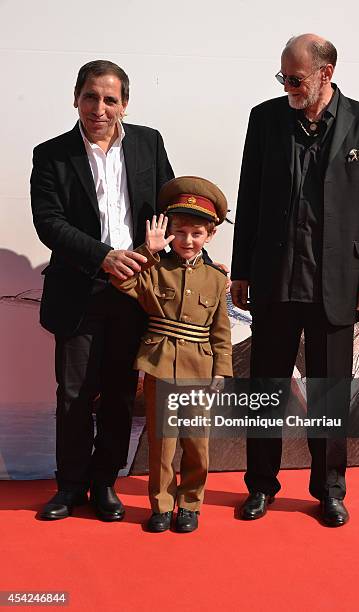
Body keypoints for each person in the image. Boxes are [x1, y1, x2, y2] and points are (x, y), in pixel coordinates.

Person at [231, 33, 359, 526]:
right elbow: (250, 193)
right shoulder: (265, 119)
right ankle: (260, 487)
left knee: (328, 393)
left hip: (336, 282)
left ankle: (329, 490)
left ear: (327, 73)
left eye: (295, 78)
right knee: (266, 392)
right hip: (275, 279)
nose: (287, 86)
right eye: (282, 77)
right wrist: (241, 269)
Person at [31, 60, 174, 521]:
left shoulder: (149, 143)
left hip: (134, 291)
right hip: (79, 289)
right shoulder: (51, 154)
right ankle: (69, 486)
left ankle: (105, 483)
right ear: (76, 98)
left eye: (110, 99)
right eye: (91, 96)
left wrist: (152, 252)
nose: (99, 108)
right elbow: (49, 223)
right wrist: (103, 256)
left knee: (117, 392)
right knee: (74, 392)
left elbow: (166, 205)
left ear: (125, 105)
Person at [111, 176, 232, 532]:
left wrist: (221, 371)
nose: (187, 240)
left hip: (199, 369)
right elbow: (123, 281)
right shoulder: (156, 269)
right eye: (179, 232)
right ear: (169, 233)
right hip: (160, 366)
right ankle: (162, 506)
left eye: (196, 234)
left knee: (196, 444)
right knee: (161, 444)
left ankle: (190, 505)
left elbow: (220, 332)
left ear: (209, 236)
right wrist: (148, 252)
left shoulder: (215, 278)